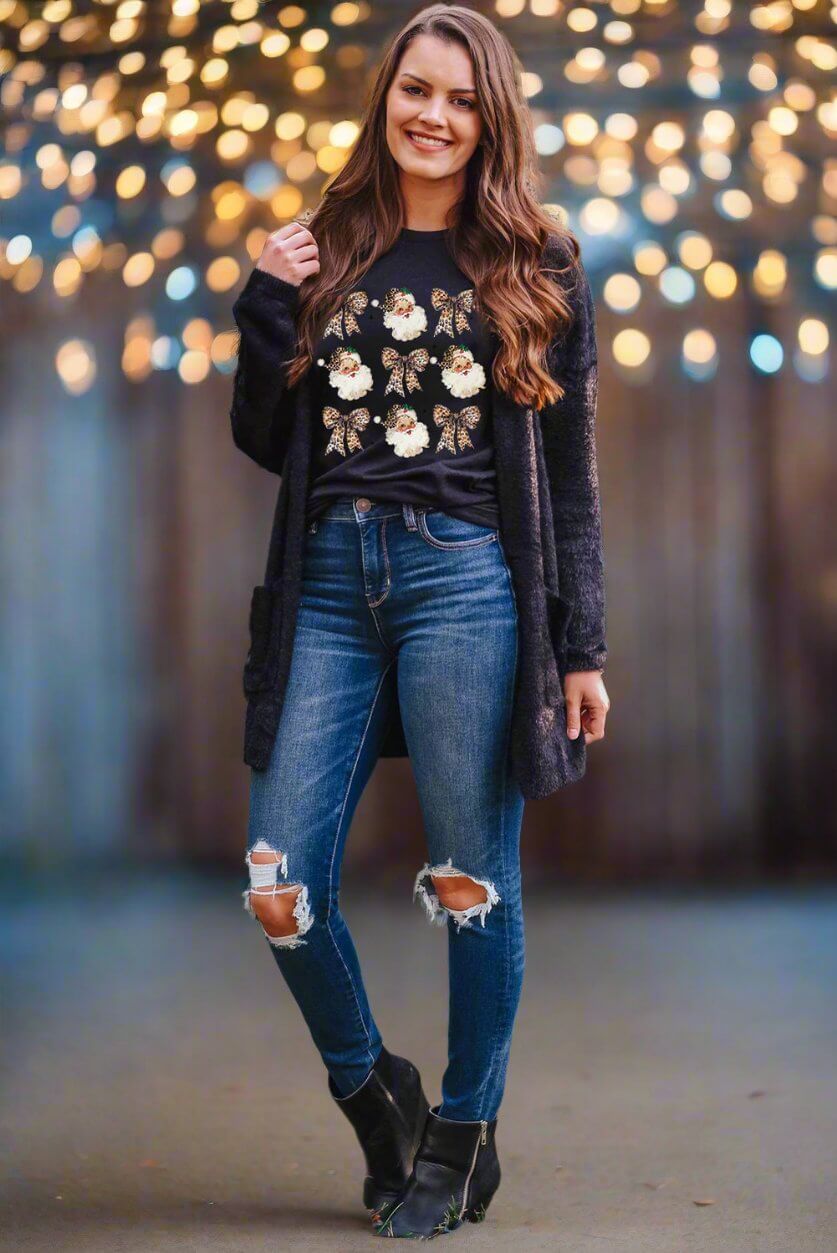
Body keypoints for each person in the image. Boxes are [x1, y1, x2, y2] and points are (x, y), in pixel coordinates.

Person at [229, 4, 610, 1239]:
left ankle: (465, 1125)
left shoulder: (538, 257)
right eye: (415, 90)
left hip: (468, 586)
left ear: (489, 119)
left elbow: (569, 469)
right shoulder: (329, 240)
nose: (432, 116)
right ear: (386, 97)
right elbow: (267, 440)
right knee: (280, 880)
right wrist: (265, 302)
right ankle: (372, 1086)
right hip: (332, 584)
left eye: (459, 99)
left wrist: (580, 644)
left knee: (467, 878)